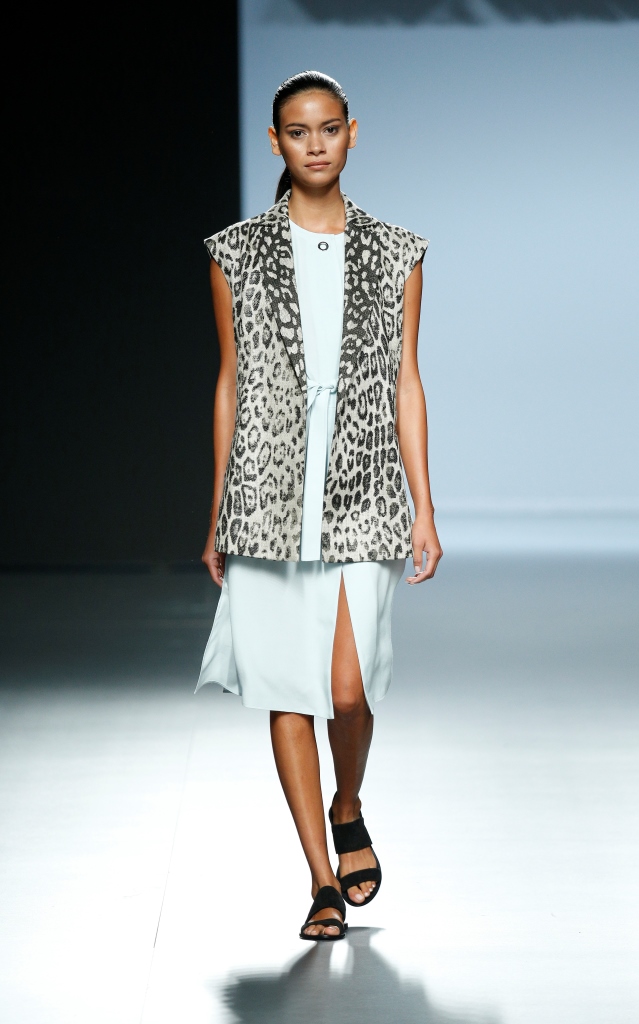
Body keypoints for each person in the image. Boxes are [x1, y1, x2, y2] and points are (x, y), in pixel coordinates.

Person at [197, 71, 441, 941]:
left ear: (351, 133)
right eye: (297, 132)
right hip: (265, 491)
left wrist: (423, 506)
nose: (314, 145)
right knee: (285, 689)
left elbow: (406, 382)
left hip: (362, 485)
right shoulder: (234, 252)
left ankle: (347, 803)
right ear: (275, 141)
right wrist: (217, 511)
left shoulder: (398, 251)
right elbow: (230, 382)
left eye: (328, 129)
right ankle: (319, 880)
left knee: (346, 687)